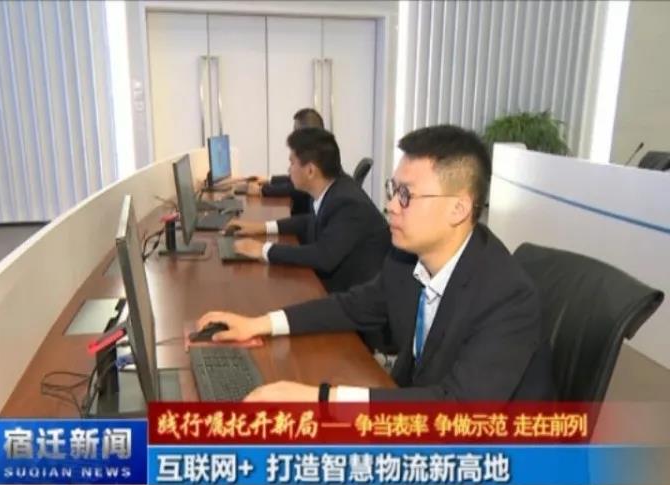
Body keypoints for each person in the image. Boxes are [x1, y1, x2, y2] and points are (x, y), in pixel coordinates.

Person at [198, 125, 556, 403]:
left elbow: (456, 407)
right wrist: (259, 324)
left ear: (458, 208)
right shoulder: (406, 260)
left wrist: (321, 399)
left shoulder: (507, 298)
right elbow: (351, 306)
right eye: (392, 189)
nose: (390, 206)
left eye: (406, 195)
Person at [228, 127, 391, 296]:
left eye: (292, 163)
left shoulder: (348, 202)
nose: (289, 169)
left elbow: (323, 256)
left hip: (353, 299)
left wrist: (263, 250)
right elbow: (309, 221)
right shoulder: (333, 188)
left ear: (310, 171)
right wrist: (261, 227)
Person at [245, 108, 325, 215]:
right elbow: (293, 179)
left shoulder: (315, 158)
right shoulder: (318, 152)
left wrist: (261, 190)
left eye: (295, 131)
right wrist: (269, 179)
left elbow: (296, 189)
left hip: (306, 218)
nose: (292, 135)